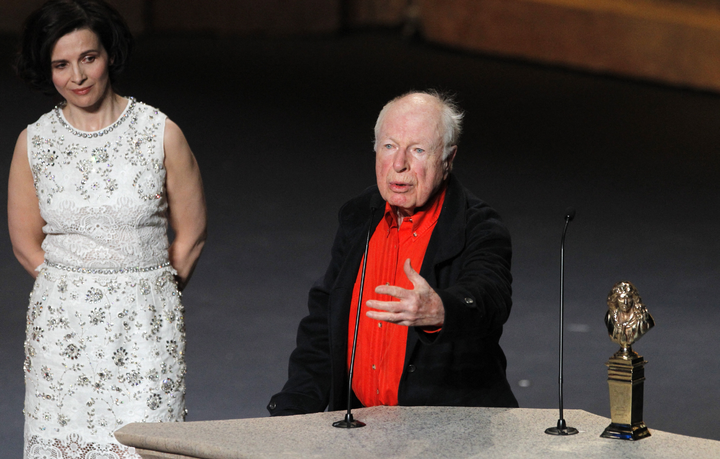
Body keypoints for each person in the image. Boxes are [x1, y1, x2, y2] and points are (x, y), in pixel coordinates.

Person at [8, 1, 207, 457]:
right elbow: (24, 242)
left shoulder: (161, 132)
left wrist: (151, 291)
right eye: (61, 64)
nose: (77, 76)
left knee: (149, 447)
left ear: (110, 55)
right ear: (48, 70)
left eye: (88, 58)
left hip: (145, 327)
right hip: (62, 333)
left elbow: (191, 233)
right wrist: (75, 290)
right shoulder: (34, 142)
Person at [268, 90, 517, 416]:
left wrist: (441, 310)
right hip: (360, 429)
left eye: (417, 150)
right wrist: (292, 412)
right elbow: (324, 325)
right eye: (389, 146)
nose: (399, 164)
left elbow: (490, 297)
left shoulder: (478, 225)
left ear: (447, 159)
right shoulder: (360, 216)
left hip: (448, 434)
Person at [605, 281, 655, 349]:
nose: (625, 302)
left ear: (633, 299)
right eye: (621, 298)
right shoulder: (609, 317)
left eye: (628, 298)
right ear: (615, 299)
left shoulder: (644, 318)